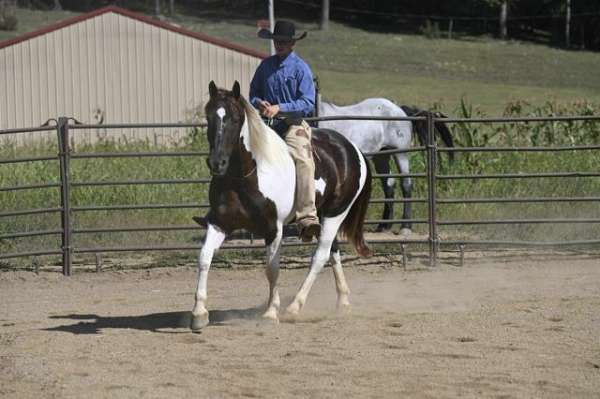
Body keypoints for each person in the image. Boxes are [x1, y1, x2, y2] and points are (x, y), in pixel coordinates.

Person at [250, 20, 321, 242]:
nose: (279, 45)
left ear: (292, 44)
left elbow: (307, 102)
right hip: (268, 125)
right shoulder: (265, 67)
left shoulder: (301, 69)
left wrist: (281, 108)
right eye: (277, 41)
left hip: (293, 125)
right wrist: (259, 103)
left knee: (304, 159)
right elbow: (253, 93)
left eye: (284, 42)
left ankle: (307, 217)